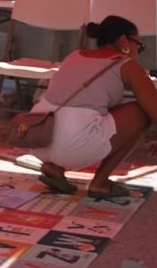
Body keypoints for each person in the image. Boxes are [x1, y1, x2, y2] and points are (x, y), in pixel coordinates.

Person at [32, 15, 157, 199]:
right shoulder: (126, 64)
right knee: (141, 112)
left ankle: (55, 166)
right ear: (124, 41)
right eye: (139, 45)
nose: (138, 51)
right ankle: (100, 183)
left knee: (94, 115)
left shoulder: (74, 55)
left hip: (37, 137)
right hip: (75, 143)